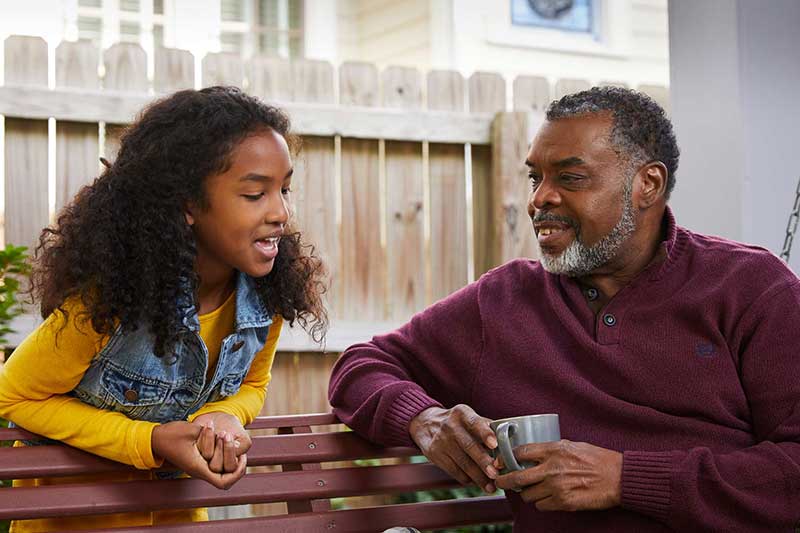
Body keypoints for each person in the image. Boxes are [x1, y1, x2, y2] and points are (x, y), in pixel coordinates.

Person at [328, 87, 800, 532]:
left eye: (570, 178)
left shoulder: (750, 289)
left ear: (648, 185)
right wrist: (424, 420)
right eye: (536, 177)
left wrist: (623, 478)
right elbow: (360, 367)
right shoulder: (504, 302)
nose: (539, 199)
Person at [0, 86, 327, 532]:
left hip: (176, 516)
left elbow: (252, 383)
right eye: (255, 195)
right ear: (188, 204)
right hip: (72, 518)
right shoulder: (112, 300)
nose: (281, 212)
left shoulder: (264, 301)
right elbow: (15, 394)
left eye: (284, 189)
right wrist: (151, 439)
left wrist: (225, 415)